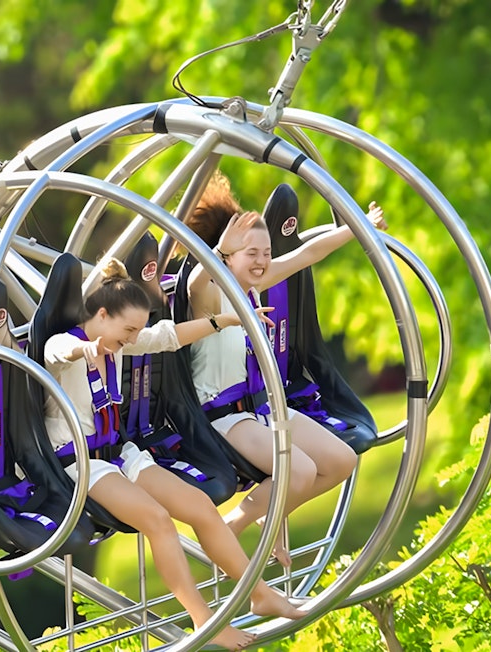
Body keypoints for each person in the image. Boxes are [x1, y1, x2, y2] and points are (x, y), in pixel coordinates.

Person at [42, 258, 303, 651]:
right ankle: (204, 621)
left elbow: (170, 336)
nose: (132, 340)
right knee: (159, 521)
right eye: (127, 329)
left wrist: (227, 321)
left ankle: (259, 592)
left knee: (200, 506)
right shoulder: (66, 346)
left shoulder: (121, 341)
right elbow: (59, 350)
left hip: (120, 453)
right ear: (101, 314)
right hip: (80, 462)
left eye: (135, 331)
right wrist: (87, 348)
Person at [183, 173, 388, 567]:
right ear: (227, 256)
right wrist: (220, 253)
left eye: (265, 252)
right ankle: (233, 524)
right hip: (222, 416)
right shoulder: (210, 295)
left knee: (342, 461)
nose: (262, 262)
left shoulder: (253, 284)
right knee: (301, 470)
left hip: (261, 408)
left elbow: (306, 255)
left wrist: (359, 227)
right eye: (251, 253)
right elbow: (196, 283)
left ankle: (268, 511)